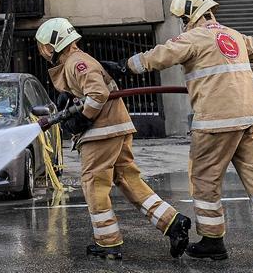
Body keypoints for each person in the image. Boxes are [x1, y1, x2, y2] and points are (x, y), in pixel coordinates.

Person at [108, 0, 253, 267]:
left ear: (188, 14)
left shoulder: (192, 37)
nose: (181, 23)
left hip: (215, 123)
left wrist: (125, 66)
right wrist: (252, 83)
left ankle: (213, 242)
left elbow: (160, 55)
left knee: (206, 182)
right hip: (251, 119)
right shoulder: (234, 35)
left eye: (182, 17)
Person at [35, 17, 191, 261]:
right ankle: (172, 222)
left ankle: (108, 243)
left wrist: (83, 119)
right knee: (127, 179)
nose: (43, 52)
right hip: (116, 128)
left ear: (53, 44)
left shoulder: (76, 62)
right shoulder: (79, 60)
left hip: (101, 134)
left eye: (44, 46)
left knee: (94, 184)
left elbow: (98, 93)